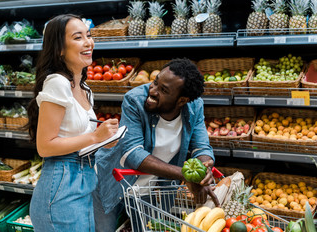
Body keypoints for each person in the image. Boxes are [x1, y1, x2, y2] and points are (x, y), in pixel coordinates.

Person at [93, 58, 219, 232]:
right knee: (104, 229)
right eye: (155, 82)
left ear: (182, 100)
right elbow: (133, 153)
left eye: (163, 90)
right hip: (112, 181)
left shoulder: (194, 106)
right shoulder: (135, 100)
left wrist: (203, 170)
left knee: (148, 229)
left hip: (151, 188)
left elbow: (202, 147)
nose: (152, 91)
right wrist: (185, 175)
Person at [26, 14, 119, 232]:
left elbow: (75, 137)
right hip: (61, 184)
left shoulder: (85, 88)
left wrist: (104, 141)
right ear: (59, 49)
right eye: (78, 38)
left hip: (84, 179)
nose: (88, 42)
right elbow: (45, 146)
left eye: (88, 35)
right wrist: (94, 137)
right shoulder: (57, 83)